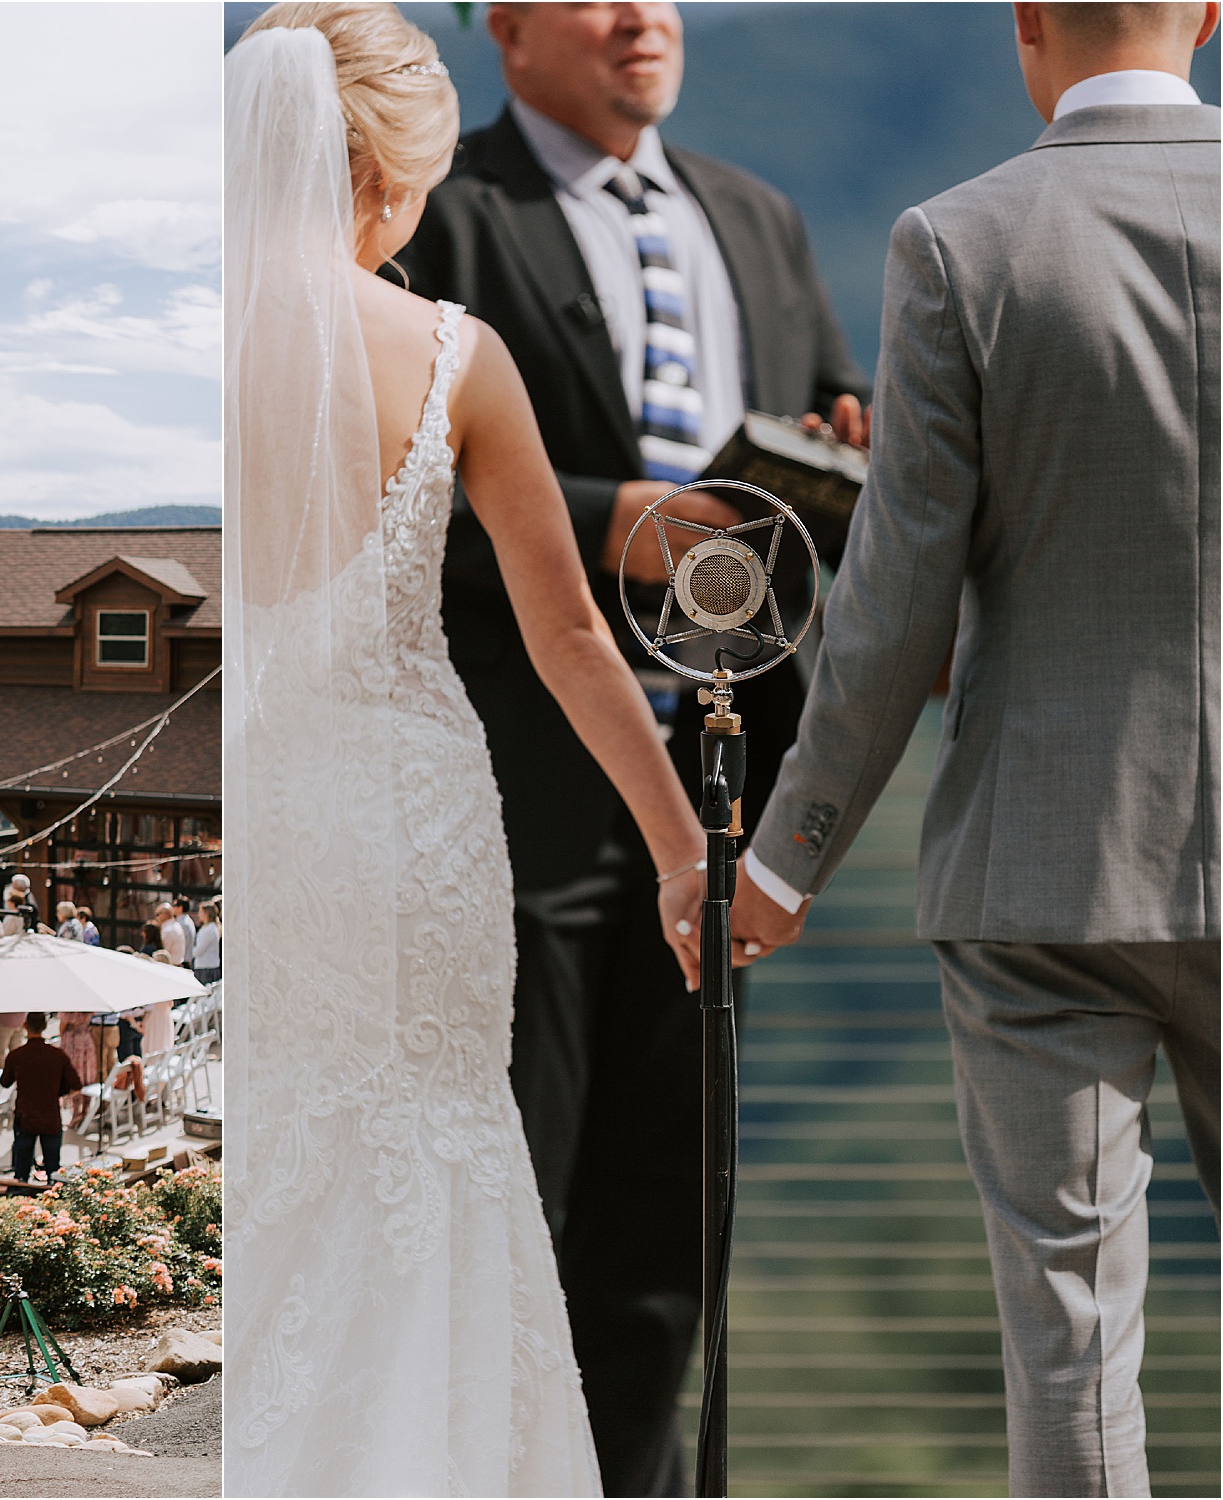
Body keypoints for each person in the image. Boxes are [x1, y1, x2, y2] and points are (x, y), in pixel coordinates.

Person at [730, 8, 1219, 1493]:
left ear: (1024, 26)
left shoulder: (960, 242)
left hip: (1037, 872)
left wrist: (785, 853)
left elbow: (891, 599)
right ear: (1208, 13)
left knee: (1069, 1352)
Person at [224, 8, 709, 1494]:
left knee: (282, 1154)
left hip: (261, 808)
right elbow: (570, 641)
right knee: (429, 1152)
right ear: (385, 171)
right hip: (408, 817)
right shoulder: (448, 353)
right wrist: (685, 847)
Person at [393, 6, 871, 1486]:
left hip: (720, 801)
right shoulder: (439, 215)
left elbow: (812, 461)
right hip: (508, 794)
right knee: (504, 1208)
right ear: (513, 28)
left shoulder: (757, 215)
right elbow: (372, 495)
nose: (644, 20)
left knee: (669, 1231)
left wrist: (844, 455)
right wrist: (609, 518)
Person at [1, 1012, 81, 1184]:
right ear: (45, 1027)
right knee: (54, 1172)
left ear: (25, 1026)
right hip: (50, 1115)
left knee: (21, 1173)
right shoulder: (57, 1055)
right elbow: (77, 1085)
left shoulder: (17, 1055)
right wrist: (59, 1092)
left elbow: (5, 1082)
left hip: (25, 1116)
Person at [193, 899, 222, 985]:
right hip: (205, 967)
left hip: (206, 968)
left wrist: (191, 952)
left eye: (200, 912)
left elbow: (199, 950)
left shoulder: (209, 929)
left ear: (206, 913)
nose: (198, 915)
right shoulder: (208, 928)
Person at [170, 897, 198, 967]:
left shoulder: (182, 923)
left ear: (180, 908)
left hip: (182, 962)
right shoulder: (187, 921)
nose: (172, 908)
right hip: (185, 960)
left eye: (174, 906)